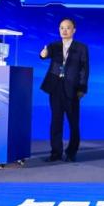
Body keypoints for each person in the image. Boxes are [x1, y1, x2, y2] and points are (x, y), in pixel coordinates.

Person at [39, 18, 89, 162]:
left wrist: (82, 88)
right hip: (55, 88)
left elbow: (84, 69)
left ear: (74, 30)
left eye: (67, 28)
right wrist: (43, 54)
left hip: (73, 89)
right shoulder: (53, 46)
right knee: (56, 121)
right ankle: (56, 153)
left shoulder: (81, 47)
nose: (64, 30)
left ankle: (71, 152)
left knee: (73, 123)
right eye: (61, 28)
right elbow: (44, 55)